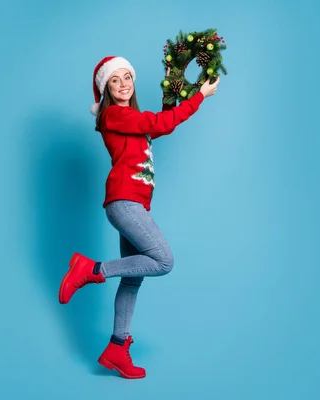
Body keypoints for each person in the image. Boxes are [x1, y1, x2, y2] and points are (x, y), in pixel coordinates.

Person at [58, 56, 220, 379]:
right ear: (106, 89)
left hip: (134, 204)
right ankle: (91, 269)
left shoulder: (130, 117)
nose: (122, 84)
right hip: (124, 202)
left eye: (127, 77)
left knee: (133, 278)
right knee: (163, 260)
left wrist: (182, 95)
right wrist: (200, 96)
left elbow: (156, 123)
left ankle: (117, 348)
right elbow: (161, 124)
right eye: (114, 80)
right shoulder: (113, 115)